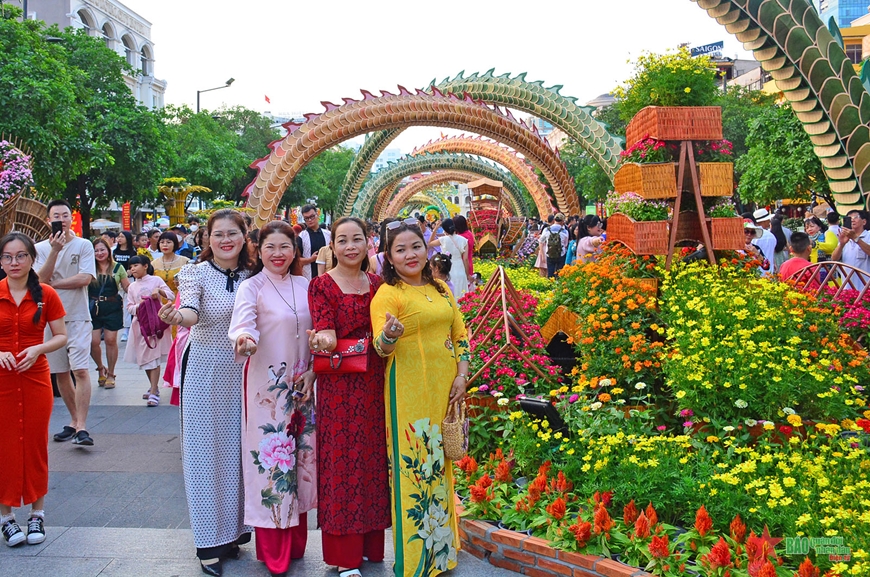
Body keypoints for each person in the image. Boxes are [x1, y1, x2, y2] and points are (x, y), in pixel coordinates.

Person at [157, 210, 253, 576]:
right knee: (203, 454)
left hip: (244, 369)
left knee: (238, 451)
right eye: (218, 234)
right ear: (206, 239)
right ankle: (207, 541)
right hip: (205, 369)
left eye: (233, 233)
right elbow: (190, 310)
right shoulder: (195, 273)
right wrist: (176, 317)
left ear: (245, 237)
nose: (225, 240)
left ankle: (234, 532)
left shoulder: (254, 275)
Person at [369, 221, 468, 577]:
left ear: (426, 250)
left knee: (440, 468)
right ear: (389, 258)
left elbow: (460, 332)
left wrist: (462, 373)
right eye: (400, 250)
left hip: (444, 388)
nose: (409, 255)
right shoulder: (388, 295)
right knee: (414, 469)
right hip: (407, 391)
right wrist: (391, 335)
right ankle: (414, 564)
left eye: (415, 247)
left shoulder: (441, 288)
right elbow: (380, 348)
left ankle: (441, 555)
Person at [228, 221, 317, 577]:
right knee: (271, 466)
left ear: (295, 250)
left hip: (306, 387)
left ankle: (297, 542)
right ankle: (273, 550)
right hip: (268, 390)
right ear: (258, 250)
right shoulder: (252, 287)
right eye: (270, 247)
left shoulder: (306, 285)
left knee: (302, 460)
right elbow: (242, 324)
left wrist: (315, 368)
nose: (278, 254)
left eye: (285, 247)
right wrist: (244, 339)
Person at [307, 217, 391, 577]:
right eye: (343, 240)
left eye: (357, 239)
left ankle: (372, 546)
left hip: (375, 381)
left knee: (371, 460)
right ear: (333, 247)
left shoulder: (378, 284)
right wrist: (321, 341)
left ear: (367, 243)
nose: (351, 246)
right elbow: (324, 330)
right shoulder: (321, 285)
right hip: (339, 385)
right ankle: (344, 556)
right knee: (342, 463)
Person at [0, 232, 67, 548]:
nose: (14, 262)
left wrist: (39, 349)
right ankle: (7, 518)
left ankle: (37, 514)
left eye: (21, 256)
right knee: (5, 448)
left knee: (36, 445)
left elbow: (61, 336)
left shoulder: (46, 294)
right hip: (2, 381)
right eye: (8, 257)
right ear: (1, 261)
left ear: (31, 259)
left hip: (35, 378)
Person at [35, 199, 97, 446]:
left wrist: (54, 285)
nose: (60, 219)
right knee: (60, 372)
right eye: (55, 216)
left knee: (80, 369)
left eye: (65, 215)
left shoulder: (84, 245)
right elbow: (39, 279)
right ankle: (74, 422)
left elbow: (85, 278)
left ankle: (82, 426)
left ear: (71, 218)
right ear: (49, 220)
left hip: (78, 315)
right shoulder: (40, 248)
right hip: (51, 320)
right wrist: (55, 250)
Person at [124, 256, 173, 407]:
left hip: (155, 325)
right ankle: (154, 387)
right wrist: (140, 306)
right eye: (131, 266)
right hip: (140, 326)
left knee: (153, 358)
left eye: (136, 265)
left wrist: (159, 291)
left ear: (145, 266)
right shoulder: (132, 287)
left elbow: (171, 295)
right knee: (145, 359)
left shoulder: (156, 280)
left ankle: (153, 391)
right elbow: (129, 308)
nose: (133, 269)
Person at [89, 239, 129, 390]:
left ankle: (111, 373)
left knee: (111, 340)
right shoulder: (89, 267)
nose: (99, 253)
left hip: (112, 307)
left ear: (108, 251)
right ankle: (100, 368)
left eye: (102, 250)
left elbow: (127, 287)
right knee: (93, 342)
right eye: (96, 250)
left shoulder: (118, 267)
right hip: (93, 307)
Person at [427, 218, 471, 298]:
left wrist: (435, 228)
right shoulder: (464, 240)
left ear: (444, 229)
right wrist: (467, 274)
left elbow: (430, 243)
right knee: (461, 296)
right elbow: (465, 259)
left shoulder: (443, 240)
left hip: (446, 268)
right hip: (460, 269)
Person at [832, 209, 870, 288]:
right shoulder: (844, 237)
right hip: (847, 286)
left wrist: (856, 239)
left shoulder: (868, 235)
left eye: (855, 217)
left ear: (864, 222)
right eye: (849, 218)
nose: (852, 220)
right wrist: (841, 244)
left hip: (865, 286)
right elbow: (834, 258)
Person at [298, 204, 331, 280]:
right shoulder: (302, 236)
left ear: (317, 214)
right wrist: (310, 259)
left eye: (312, 216)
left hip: (328, 277)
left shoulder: (328, 235)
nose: (310, 220)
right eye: (306, 218)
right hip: (308, 278)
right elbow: (296, 260)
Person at [540, 213, 569, 277]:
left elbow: (541, 241)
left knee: (550, 273)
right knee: (559, 273)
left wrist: (542, 254)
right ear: (562, 221)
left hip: (549, 254)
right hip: (561, 254)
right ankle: (558, 285)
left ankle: (550, 285)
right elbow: (566, 244)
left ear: (554, 220)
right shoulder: (565, 231)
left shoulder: (546, 229)